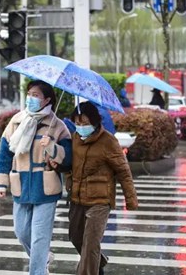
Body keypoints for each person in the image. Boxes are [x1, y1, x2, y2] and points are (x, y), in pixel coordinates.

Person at [0, 80, 72, 275]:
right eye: (30, 94)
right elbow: (5, 153)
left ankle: (38, 271)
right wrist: (0, 183)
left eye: (36, 95)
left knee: (39, 237)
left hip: (45, 187)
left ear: (47, 100)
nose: (31, 98)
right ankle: (43, 257)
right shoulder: (17, 121)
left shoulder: (58, 126)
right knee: (21, 232)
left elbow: (68, 158)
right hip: (21, 185)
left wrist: (52, 147)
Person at [60, 101, 138, 275]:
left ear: (95, 122)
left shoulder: (108, 141)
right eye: (78, 123)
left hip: (100, 200)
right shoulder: (75, 138)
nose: (81, 127)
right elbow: (68, 164)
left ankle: (88, 269)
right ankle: (97, 262)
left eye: (85, 123)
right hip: (77, 198)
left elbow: (123, 171)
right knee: (75, 237)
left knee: (90, 244)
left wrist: (130, 199)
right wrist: (53, 161)